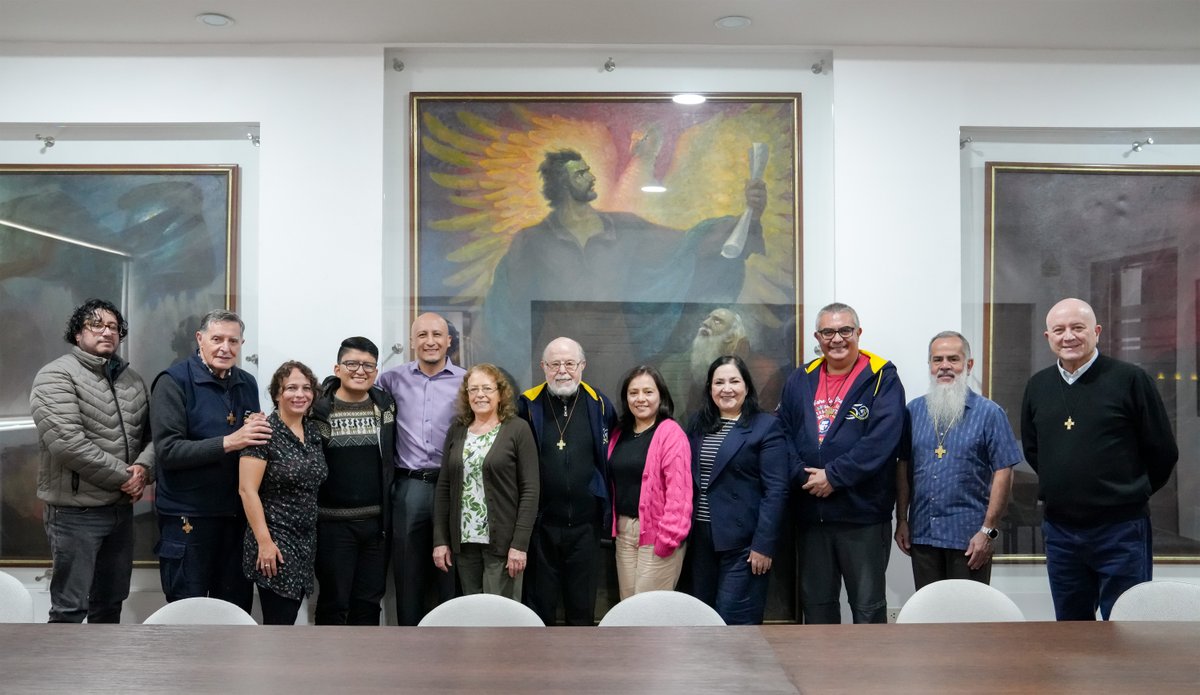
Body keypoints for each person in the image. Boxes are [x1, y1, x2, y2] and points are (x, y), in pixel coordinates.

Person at [482, 149, 767, 383]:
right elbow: (509, 308)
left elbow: (688, 246)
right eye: (581, 173)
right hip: (555, 352)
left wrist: (748, 218)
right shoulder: (532, 240)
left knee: (614, 423)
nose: (591, 177)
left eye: (588, 170)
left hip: (613, 349)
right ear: (561, 183)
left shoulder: (625, 228)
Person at [1021, 298, 1178, 620]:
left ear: (1096, 332)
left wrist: (1128, 492)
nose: (1069, 337)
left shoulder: (1131, 380)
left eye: (1078, 328)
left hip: (1120, 529)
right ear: (1047, 337)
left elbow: (1163, 451)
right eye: (1059, 330)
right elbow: (1035, 450)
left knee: (1126, 625)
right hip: (1061, 530)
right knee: (1071, 626)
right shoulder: (1038, 386)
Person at [778, 302, 905, 624]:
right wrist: (803, 476)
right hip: (810, 515)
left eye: (845, 330)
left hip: (861, 516)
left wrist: (834, 476)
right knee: (817, 606)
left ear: (858, 333)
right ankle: (822, 675)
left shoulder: (882, 378)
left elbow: (881, 441)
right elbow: (783, 434)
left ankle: (869, 675)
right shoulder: (799, 379)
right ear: (817, 337)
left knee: (867, 607)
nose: (837, 339)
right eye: (828, 332)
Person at [30, 299, 154, 623]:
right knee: (70, 610)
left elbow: (154, 439)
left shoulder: (133, 381)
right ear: (77, 334)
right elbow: (68, 444)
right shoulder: (55, 376)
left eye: (113, 327)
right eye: (96, 325)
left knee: (110, 607)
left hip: (120, 513)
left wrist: (144, 469)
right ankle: (63, 675)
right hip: (75, 514)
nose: (107, 331)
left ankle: (104, 676)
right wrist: (125, 477)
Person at [151, 309, 269, 613]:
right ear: (200, 340)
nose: (225, 348)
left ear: (242, 343)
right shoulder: (172, 382)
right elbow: (168, 451)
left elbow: (252, 445)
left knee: (233, 611)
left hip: (235, 518)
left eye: (233, 341)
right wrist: (232, 441)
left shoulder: (247, 382)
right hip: (188, 517)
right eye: (217, 339)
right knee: (186, 612)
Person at [894, 331, 1021, 590]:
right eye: (937, 359)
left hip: (969, 537)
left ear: (968, 365)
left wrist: (988, 531)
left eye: (953, 359)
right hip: (923, 535)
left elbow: (1004, 472)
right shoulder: (912, 411)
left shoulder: (989, 413)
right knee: (930, 614)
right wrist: (902, 520)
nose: (944, 366)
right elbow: (903, 466)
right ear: (929, 365)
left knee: (967, 618)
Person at [518, 337, 615, 625]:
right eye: (554, 364)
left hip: (586, 525)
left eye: (570, 363)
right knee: (540, 608)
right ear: (543, 367)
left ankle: (581, 668)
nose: (562, 370)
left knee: (582, 607)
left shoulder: (599, 404)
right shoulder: (527, 404)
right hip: (542, 527)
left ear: (582, 365)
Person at [376, 312, 465, 625]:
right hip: (409, 487)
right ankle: (408, 649)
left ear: (449, 341)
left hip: (453, 487)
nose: (430, 341)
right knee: (407, 574)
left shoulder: (467, 382)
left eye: (437, 335)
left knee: (450, 574)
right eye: (422, 335)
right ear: (412, 342)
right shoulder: (390, 380)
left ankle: (452, 649)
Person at [686, 356, 788, 624]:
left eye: (734, 381)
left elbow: (776, 491)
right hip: (701, 540)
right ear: (710, 388)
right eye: (719, 382)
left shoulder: (766, 426)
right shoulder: (699, 424)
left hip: (744, 546)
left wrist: (763, 546)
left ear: (747, 386)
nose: (726, 388)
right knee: (701, 620)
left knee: (734, 622)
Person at [432, 364, 539, 599]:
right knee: (472, 617)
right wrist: (440, 540)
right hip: (464, 542)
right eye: (473, 389)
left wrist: (519, 545)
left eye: (487, 389)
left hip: (503, 544)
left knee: (501, 619)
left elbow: (530, 490)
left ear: (500, 394)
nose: (480, 395)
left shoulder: (517, 429)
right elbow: (444, 487)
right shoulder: (458, 430)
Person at [310, 337, 396, 625]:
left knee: (369, 604)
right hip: (333, 526)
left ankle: (365, 668)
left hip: (376, 527)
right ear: (337, 368)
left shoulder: (384, 406)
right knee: (334, 603)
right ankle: (327, 669)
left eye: (369, 365)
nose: (360, 371)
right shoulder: (318, 411)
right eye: (352, 364)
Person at [238, 361, 327, 625]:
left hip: (306, 540)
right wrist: (264, 543)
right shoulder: (263, 430)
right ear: (277, 394)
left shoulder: (312, 431)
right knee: (279, 623)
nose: (300, 394)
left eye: (306, 388)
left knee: (290, 620)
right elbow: (247, 490)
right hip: (275, 539)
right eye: (291, 388)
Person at [605, 365, 691, 600]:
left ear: (661, 396)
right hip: (624, 534)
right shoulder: (618, 434)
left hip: (658, 535)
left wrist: (668, 539)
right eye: (633, 393)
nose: (640, 399)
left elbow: (680, 493)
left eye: (648, 392)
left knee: (649, 613)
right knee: (628, 606)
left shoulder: (670, 433)